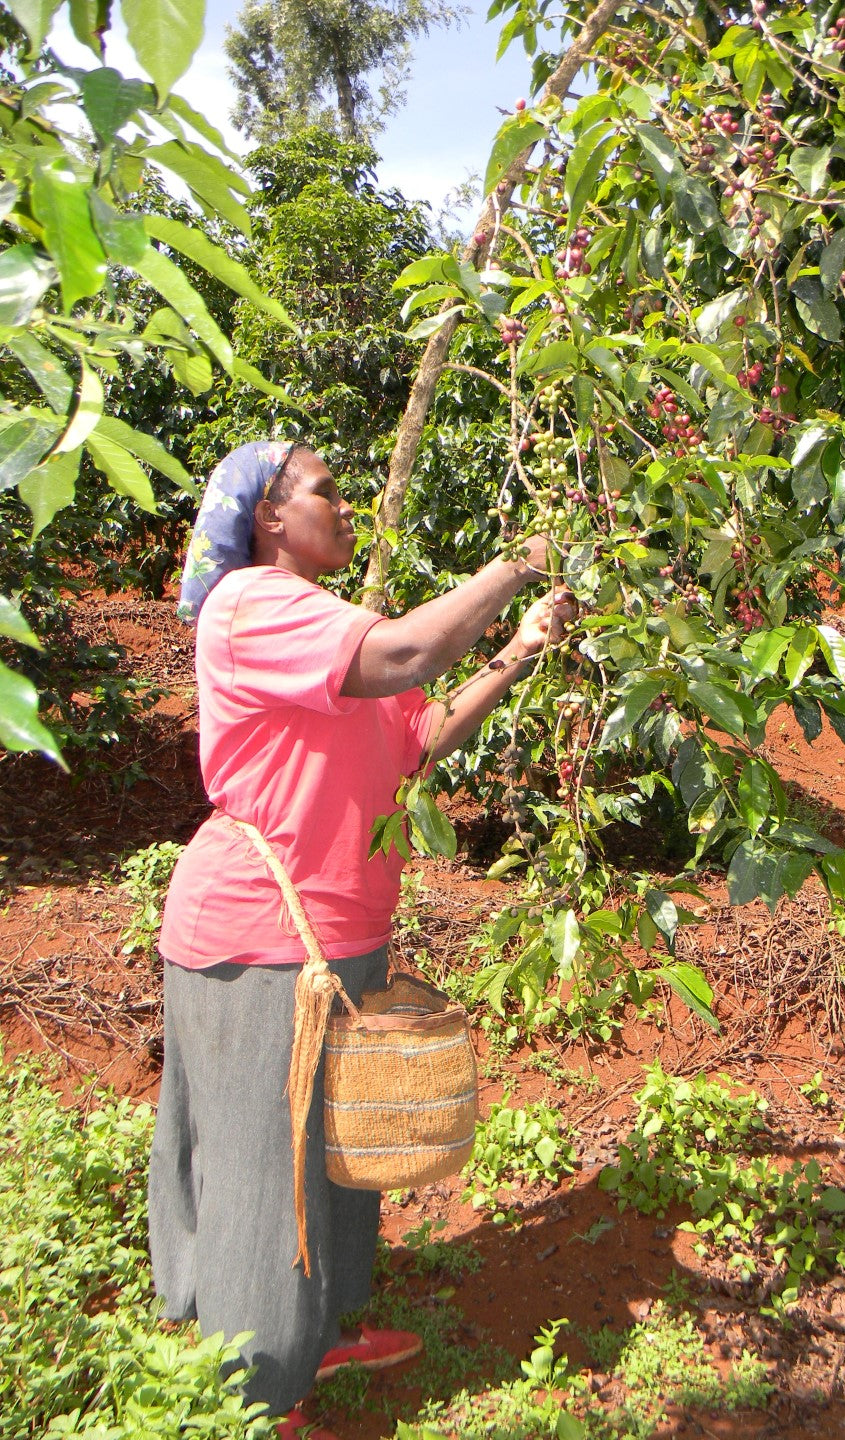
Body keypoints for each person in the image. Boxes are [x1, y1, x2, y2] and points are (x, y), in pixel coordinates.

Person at [149, 439, 571, 1438]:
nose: (346, 509)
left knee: (329, 1156)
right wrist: (520, 560)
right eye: (326, 492)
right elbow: (413, 653)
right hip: (260, 934)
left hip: (334, 932)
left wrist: (523, 649)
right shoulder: (255, 605)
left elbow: (419, 733)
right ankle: (254, 1393)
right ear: (266, 518)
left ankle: (315, 1332)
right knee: (264, 1164)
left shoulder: (328, 626)